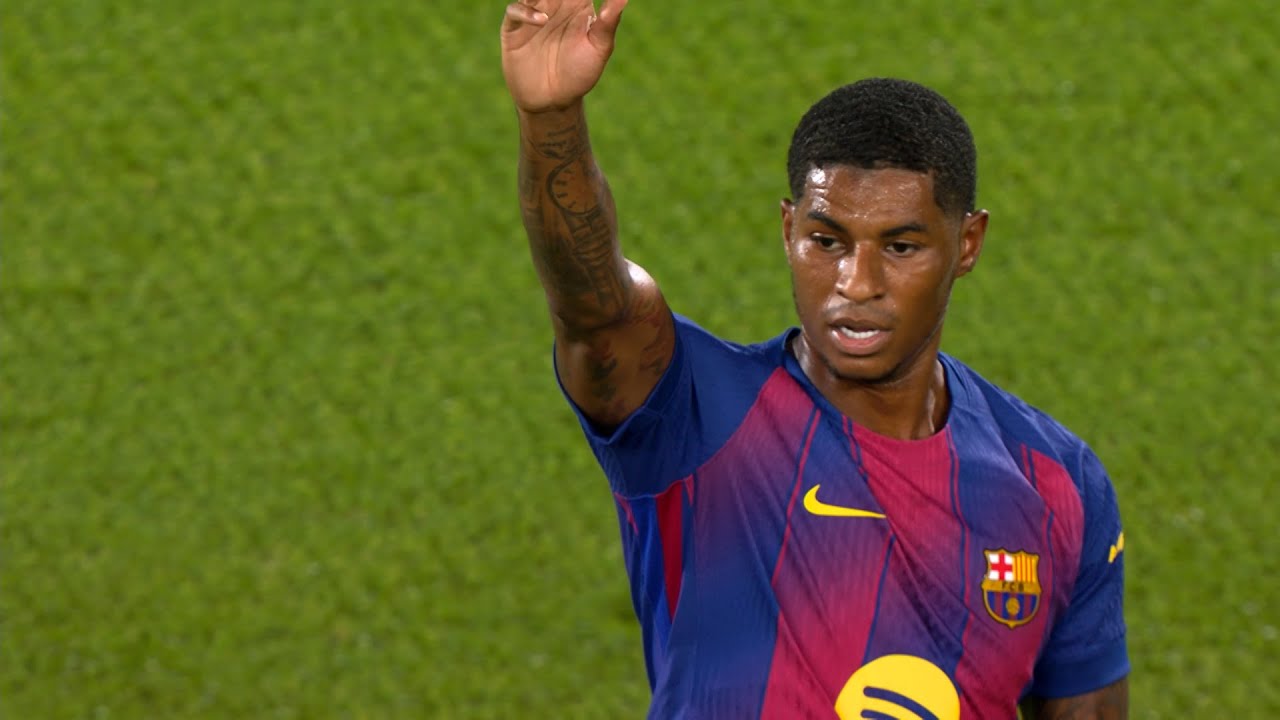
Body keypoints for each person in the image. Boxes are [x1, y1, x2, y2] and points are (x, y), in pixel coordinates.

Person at [500, 1, 1130, 718]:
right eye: (826, 241)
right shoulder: (695, 413)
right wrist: (551, 118)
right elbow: (594, 309)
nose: (856, 284)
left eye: (900, 247)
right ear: (788, 229)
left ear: (967, 245)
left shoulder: (1056, 482)